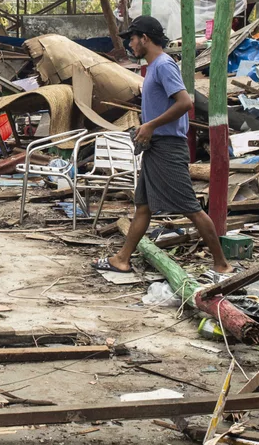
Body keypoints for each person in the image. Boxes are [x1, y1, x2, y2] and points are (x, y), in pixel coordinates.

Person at [93, 15, 236, 280]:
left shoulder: (163, 65)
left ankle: (222, 265)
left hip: (168, 147)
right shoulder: (153, 68)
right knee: (144, 207)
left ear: (145, 39)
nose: (131, 44)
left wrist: (150, 125)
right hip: (156, 147)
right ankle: (122, 259)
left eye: (132, 39)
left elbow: (184, 103)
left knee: (190, 207)